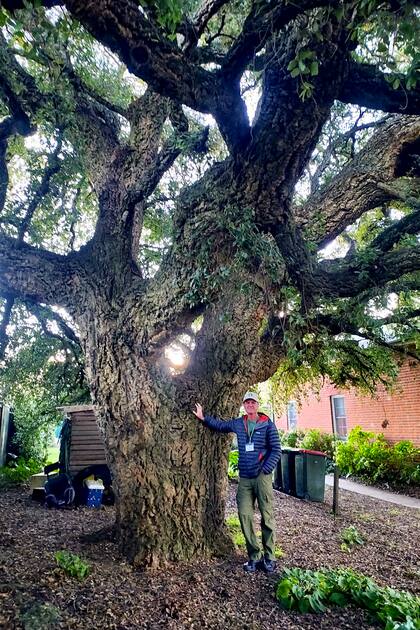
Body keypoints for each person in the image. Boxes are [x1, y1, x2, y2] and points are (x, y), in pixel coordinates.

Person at [193, 392, 281, 573]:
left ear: (257, 405)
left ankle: (269, 557)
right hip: (245, 479)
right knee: (244, 515)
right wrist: (203, 418)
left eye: (253, 402)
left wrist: (266, 468)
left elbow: (276, 449)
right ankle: (255, 556)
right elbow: (221, 426)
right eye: (247, 402)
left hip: (262, 478)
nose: (250, 405)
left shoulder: (267, 424)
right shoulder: (239, 423)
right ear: (244, 405)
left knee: (267, 516)